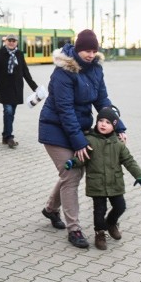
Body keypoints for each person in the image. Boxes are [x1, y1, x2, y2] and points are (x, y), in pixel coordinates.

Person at [38, 29, 126, 249]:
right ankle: (74, 229)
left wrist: (118, 126)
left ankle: (50, 209)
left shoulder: (95, 69)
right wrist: (79, 142)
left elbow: (102, 100)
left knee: (70, 173)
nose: (91, 54)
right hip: (55, 129)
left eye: (94, 50)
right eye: (87, 50)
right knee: (72, 173)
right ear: (78, 49)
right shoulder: (63, 72)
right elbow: (65, 110)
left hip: (78, 128)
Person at [63, 107, 141, 250]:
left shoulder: (118, 144)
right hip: (97, 183)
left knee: (120, 206)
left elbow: (129, 160)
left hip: (115, 182)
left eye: (107, 122)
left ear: (114, 126)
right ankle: (100, 233)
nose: (103, 124)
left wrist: (139, 176)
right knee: (99, 210)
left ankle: (111, 222)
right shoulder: (89, 140)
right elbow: (83, 157)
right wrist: (73, 162)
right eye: (100, 121)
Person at [0, 34, 38, 148]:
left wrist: (35, 88)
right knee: (8, 111)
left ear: (17, 42)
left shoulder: (19, 54)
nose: (11, 42)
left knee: (11, 113)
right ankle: (10, 137)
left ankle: (5, 135)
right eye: (9, 40)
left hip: (16, 89)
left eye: (14, 41)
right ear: (6, 42)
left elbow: (25, 72)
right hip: (4, 88)